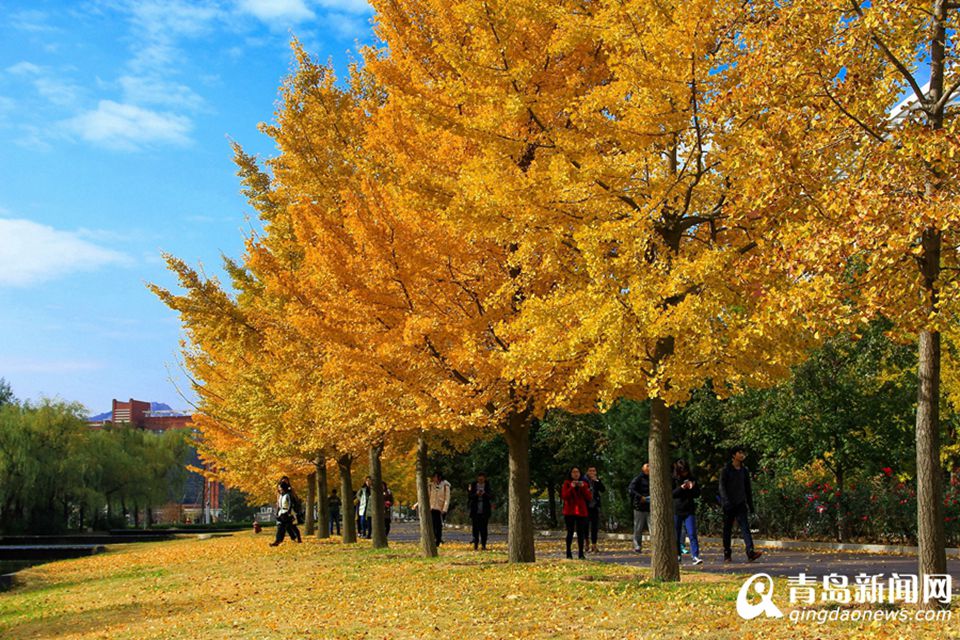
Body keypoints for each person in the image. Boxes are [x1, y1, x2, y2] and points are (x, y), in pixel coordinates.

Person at [719, 445, 763, 562]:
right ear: (734, 455)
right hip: (729, 504)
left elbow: (747, 489)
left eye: (743, 452)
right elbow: (722, 487)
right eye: (739, 452)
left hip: (740, 503)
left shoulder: (744, 471)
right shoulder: (726, 470)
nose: (742, 454)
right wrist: (726, 501)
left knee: (745, 528)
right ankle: (727, 553)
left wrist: (751, 505)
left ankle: (750, 552)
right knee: (727, 529)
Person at [672, 459, 703, 566]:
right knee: (676, 534)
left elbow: (697, 494)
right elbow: (672, 494)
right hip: (677, 510)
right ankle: (677, 555)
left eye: (686, 471)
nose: (685, 473)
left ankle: (695, 556)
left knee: (692, 533)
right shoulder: (674, 479)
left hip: (689, 510)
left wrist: (692, 488)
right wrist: (681, 488)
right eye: (682, 471)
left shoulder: (692, 479)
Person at [561, 467, 592, 559]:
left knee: (581, 533)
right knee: (570, 532)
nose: (576, 474)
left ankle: (581, 553)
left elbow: (589, 497)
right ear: (570, 474)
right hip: (570, 511)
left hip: (581, 511)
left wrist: (583, 488)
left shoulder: (584, 484)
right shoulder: (567, 484)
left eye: (577, 472)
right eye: (573, 472)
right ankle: (568, 552)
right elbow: (564, 496)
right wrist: (571, 487)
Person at [627, 462, 651, 553]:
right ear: (643, 468)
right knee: (638, 528)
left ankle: (655, 546)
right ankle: (637, 546)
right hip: (639, 506)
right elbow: (631, 490)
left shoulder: (653, 478)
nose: (649, 468)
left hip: (650, 507)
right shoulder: (638, 479)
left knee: (652, 528)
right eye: (647, 466)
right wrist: (640, 497)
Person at [270, 480, 301, 546]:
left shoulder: (288, 495)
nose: (279, 489)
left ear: (283, 487)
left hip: (287, 514)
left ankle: (297, 538)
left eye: (280, 487)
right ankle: (278, 541)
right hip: (282, 513)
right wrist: (277, 513)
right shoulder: (281, 495)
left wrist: (288, 512)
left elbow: (290, 504)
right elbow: (279, 505)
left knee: (291, 527)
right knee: (281, 527)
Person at [467, 472, 494, 550]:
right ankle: (475, 544)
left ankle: (483, 544)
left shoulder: (488, 485)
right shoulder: (473, 485)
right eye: (479, 480)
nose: (481, 481)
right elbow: (470, 496)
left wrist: (484, 494)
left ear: (484, 479)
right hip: (475, 510)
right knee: (475, 528)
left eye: (482, 480)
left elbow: (491, 496)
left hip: (485, 510)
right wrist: (476, 494)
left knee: (484, 528)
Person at [584, 466, 605, 553]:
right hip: (585, 506)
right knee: (585, 525)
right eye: (590, 471)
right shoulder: (584, 480)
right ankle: (586, 542)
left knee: (594, 526)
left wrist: (597, 481)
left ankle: (594, 544)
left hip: (594, 505)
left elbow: (603, 489)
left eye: (594, 471)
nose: (592, 472)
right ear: (587, 472)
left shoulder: (597, 480)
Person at [428, 471, 451, 546]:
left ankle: (438, 540)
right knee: (432, 525)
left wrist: (444, 509)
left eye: (435, 477)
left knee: (438, 526)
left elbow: (447, 499)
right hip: (431, 508)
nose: (434, 478)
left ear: (439, 477)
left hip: (440, 509)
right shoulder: (431, 485)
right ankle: (434, 539)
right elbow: (427, 497)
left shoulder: (445, 486)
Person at [279, 475, 303, 542]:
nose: (285, 482)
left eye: (286, 481)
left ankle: (297, 538)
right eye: (283, 481)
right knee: (288, 526)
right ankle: (293, 537)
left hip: (290, 509)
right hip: (283, 510)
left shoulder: (290, 490)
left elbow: (294, 499)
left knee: (292, 525)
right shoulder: (280, 489)